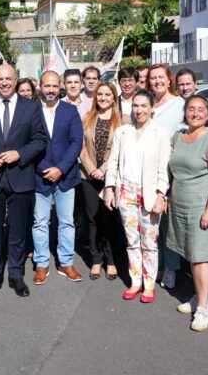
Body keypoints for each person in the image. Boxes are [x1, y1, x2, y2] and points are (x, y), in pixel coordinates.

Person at [0, 64, 48, 299]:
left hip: (20, 176)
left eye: (8, 79)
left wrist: (20, 154)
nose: (4, 83)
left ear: (15, 80)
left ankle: (16, 276)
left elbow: (40, 139)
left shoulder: (32, 107)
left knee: (17, 233)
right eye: (0, 79)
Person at [104, 90, 171, 304]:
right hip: (126, 192)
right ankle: (135, 281)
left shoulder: (160, 133)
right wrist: (109, 188)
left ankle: (149, 284)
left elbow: (164, 168)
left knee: (149, 241)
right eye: (135, 106)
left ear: (152, 108)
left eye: (143, 106)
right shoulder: (122, 132)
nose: (139, 110)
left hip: (149, 194)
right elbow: (113, 163)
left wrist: (162, 194)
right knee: (132, 240)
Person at [168, 96, 208, 332]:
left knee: (201, 257)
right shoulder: (178, 137)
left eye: (200, 110)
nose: (195, 113)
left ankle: (203, 308)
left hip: (202, 206)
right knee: (192, 254)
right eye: (191, 109)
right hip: (180, 203)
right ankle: (197, 297)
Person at [32, 71, 84, 285]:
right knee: (40, 222)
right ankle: (42, 264)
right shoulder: (31, 111)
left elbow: (76, 142)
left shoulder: (70, 111)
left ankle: (66, 262)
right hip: (40, 176)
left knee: (66, 222)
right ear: (41, 87)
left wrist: (60, 169)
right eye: (47, 86)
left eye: (54, 86)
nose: (51, 90)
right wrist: (45, 169)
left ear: (60, 86)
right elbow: (27, 143)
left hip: (66, 176)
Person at [147, 64, 185, 289]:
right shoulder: (148, 103)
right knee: (152, 222)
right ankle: (157, 264)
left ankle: (171, 267)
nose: (157, 81)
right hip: (148, 172)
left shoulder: (180, 105)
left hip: (170, 173)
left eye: (161, 77)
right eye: (153, 78)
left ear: (169, 79)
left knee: (169, 225)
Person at [81, 83, 122, 281]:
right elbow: (81, 148)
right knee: (92, 220)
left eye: (108, 94)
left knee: (109, 220)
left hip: (111, 178)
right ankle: (96, 260)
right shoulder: (87, 119)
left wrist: (103, 170)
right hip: (88, 177)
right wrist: (92, 170)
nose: (103, 97)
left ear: (114, 98)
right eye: (100, 94)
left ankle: (111, 260)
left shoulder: (122, 122)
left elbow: (120, 151)